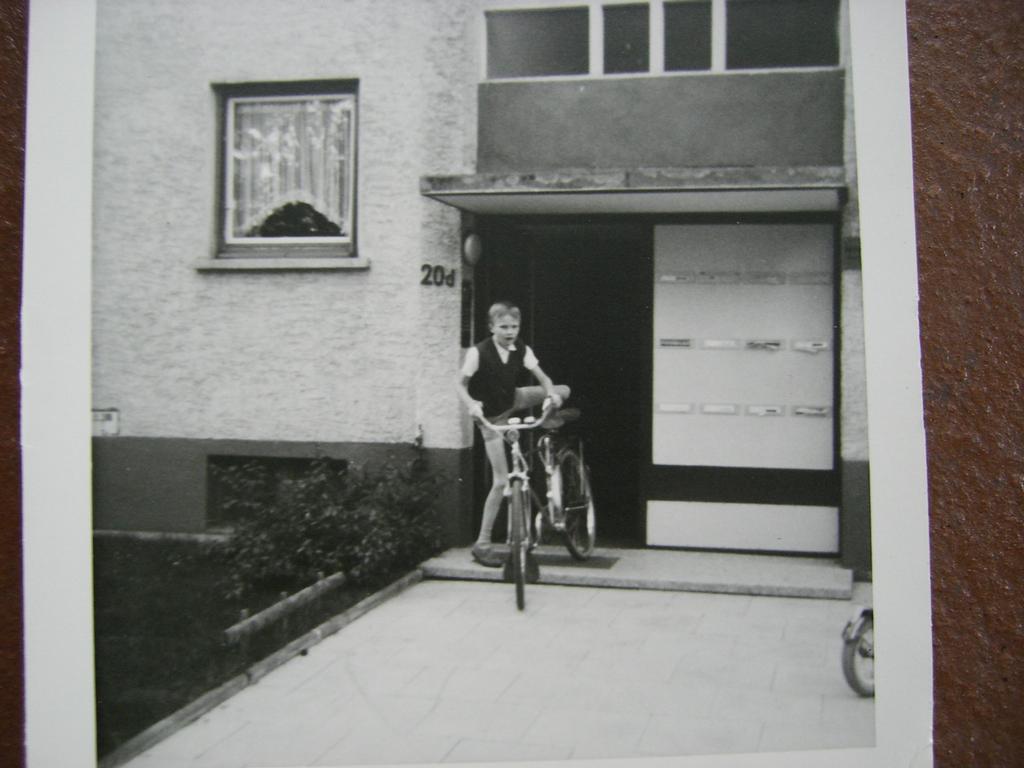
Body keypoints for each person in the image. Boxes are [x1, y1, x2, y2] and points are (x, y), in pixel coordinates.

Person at [457, 301, 570, 567]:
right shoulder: (477, 352)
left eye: (514, 327)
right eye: (504, 327)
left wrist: (550, 395)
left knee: (563, 390)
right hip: (490, 418)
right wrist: (472, 405)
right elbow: (460, 384)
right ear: (491, 327)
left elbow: (543, 378)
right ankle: (482, 544)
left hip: (514, 399)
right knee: (500, 481)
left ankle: (548, 417)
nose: (510, 332)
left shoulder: (522, 348)